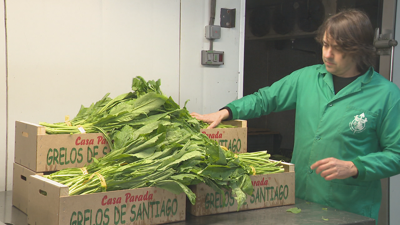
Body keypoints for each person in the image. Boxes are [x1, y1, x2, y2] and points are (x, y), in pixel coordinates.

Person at [191, 9, 400, 223]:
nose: (327, 54)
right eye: (326, 45)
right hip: (300, 202)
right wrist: (227, 111)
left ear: (358, 50)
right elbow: (266, 98)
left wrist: (355, 166)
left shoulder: (386, 95)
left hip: (349, 209)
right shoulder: (307, 78)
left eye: (338, 49)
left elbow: (397, 154)